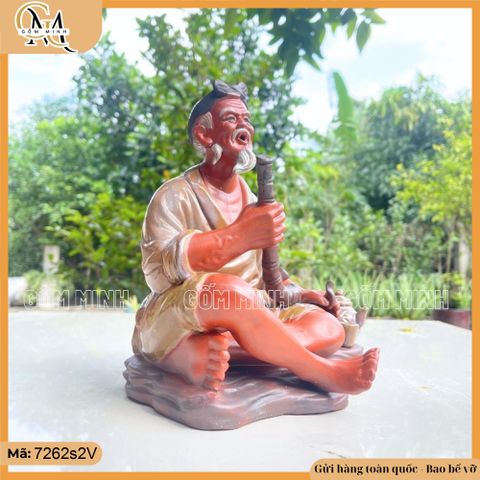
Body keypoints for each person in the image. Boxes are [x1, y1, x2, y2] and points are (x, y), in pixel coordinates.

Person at [132, 80, 379, 394]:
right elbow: (158, 275)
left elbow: (269, 280)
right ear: (204, 134)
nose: (243, 127)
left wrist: (304, 295)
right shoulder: (174, 196)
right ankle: (321, 371)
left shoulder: (252, 201)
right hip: (185, 312)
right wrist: (240, 235)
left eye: (246, 120)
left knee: (328, 328)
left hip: (252, 313)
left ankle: (204, 354)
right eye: (231, 119)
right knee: (228, 292)